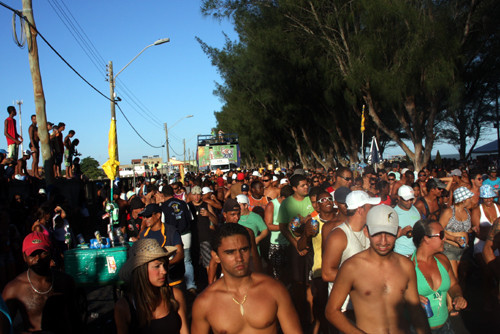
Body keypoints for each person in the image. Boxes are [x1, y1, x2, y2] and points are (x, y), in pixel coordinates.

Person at [326, 205, 431, 334]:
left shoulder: (406, 266)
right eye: (376, 234)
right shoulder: (351, 267)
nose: (383, 241)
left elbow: (415, 309)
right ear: (366, 232)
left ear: (398, 232)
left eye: (389, 234)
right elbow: (332, 311)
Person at [191, 223, 302, 334]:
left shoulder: (274, 289)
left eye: (244, 250)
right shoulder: (205, 303)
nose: (239, 258)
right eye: (230, 252)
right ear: (216, 256)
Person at [2, 232, 82, 333]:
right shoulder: (13, 289)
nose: (38, 259)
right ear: (24, 257)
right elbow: (3, 327)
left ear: (51, 253)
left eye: (43, 253)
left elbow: (75, 320)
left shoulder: (65, 281)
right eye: (32, 254)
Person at [115, 238, 188, 334]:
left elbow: (185, 331)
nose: (164, 271)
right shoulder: (124, 307)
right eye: (157, 266)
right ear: (142, 270)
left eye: (164, 265)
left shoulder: (175, 296)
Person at [411, 219, 467, 332]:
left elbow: (453, 284)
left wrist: (457, 296)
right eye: (441, 235)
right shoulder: (408, 266)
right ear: (426, 238)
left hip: (445, 327)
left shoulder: (442, 260)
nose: (445, 238)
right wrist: (412, 299)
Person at [159, 185, 196, 293]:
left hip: (172, 237)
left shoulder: (163, 207)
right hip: (186, 234)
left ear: (162, 194)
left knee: (173, 260)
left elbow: (163, 223)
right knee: (187, 261)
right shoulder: (183, 203)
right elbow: (190, 219)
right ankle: (191, 286)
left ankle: (175, 284)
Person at [138, 203, 185, 288]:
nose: (145, 219)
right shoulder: (144, 235)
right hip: (155, 283)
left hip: (173, 280)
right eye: (144, 217)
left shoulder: (171, 231)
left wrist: (167, 264)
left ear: (158, 215)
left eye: (148, 216)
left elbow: (180, 253)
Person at [439, 186, 473, 278]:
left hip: (464, 249)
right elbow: (439, 230)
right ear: (463, 200)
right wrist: (454, 238)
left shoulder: (468, 212)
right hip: (449, 248)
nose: (471, 199)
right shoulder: (449, 212)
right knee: (454, 277)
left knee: (463, 276)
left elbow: (466, 229)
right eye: (469, 198)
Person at [264, 185, 293, 280]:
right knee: (277, 275)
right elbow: (269, 225)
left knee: (290, 274)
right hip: (277, 244)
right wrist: (285, 227)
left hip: (291, 243)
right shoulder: (272, 205)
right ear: (283, 198)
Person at [394, 185, 421, 257]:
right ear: (399, 198)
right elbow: (387, 239)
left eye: (411, 199)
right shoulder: (393, 214)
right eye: (406, 200)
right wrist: (401, 233)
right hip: (401, 255)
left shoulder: (416, 209)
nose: (409, 202)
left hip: (415, 254)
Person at [28, 114, 40, 178]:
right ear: (32, 120)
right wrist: (33, 146)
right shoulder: (31, 127)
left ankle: (36, 173)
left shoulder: (37, 128)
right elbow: (31, 137)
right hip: (33, 144)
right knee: (35, 159)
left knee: (37, 160)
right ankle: (33, 174)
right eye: (34, 119)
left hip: (37, 144)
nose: (36, 120)